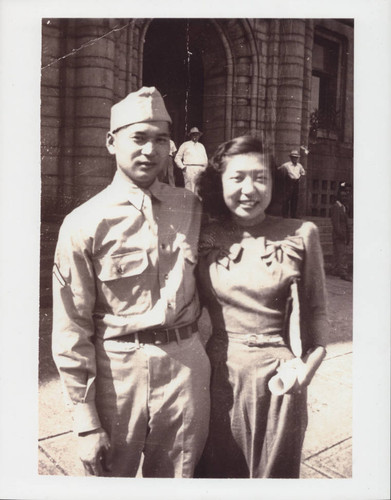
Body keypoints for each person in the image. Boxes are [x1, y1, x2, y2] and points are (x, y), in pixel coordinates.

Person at [51, 87, 211, 478]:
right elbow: (72, 326)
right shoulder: (83, 222)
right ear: (111, 141)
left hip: (186, 369)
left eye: (160, 140)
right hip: (118, 376)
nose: (150, 150)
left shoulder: (191, 207)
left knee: (179, 480)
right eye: (138, 137)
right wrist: (85, 420)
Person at [195, 136, 328, 478]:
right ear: (218, 183)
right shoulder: (202, 236)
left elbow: (316, 312)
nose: (249, 189)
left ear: (274, 183)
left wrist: (306, 370)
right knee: (215, 475)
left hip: (279, 382)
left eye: (261, 178)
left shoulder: (302, 233)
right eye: (237, 178)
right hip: (216, 379)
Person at [175, 126, 208, 193]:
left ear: (199, 136)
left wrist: (205, 169)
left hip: (200, 169)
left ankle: (198, 203)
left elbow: (205, 159)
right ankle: (188, 203)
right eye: (193, 134)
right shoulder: (185, 144)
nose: (195, 136)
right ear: (190, 135)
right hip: (189, 169)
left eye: (197, 134)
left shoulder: (201, 146)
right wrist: (183, 167)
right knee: (189, 189)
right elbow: (177, 157)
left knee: (199, 188)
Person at [330, 181, 352, 281]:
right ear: (339, 196)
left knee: (337, 253)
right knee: (342, 253)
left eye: (346, 195)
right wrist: (341, 235)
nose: (345, 197)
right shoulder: (336, 207)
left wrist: (348, 235)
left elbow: (346, 223)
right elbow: (336, 223)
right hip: (339, 235)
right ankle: (343, 272)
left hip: (343, 234)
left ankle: (335, 270)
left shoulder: (343, 207)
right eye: (343, 196)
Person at [278, 149, 306, 218]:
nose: (295, 159)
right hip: (289, 182)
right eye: (293, 157)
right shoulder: (286, 165)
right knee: (287, 199)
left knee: (295, 199)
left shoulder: (299, 166)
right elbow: (279, 169)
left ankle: (293, 215)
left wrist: (300, 179)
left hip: (296, 182)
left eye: (296, 157)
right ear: (291, 157)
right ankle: (285, 215)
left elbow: (303, 173)